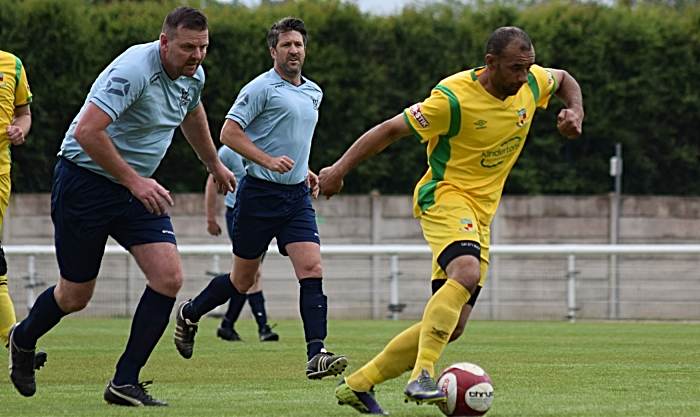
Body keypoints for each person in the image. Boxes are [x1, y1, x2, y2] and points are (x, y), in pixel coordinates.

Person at [319, 27, 584, 414]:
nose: (522, 77)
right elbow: (390, 129)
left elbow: (563, 79)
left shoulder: (530, 83)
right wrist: (339, 170)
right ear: (490, 63)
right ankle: (422, 374)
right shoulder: (452, 100)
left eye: (527, 68)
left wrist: (575, 110)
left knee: (453, 325)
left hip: (481, 214)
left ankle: (358, 385)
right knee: (466, 273)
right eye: (514, 69)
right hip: (444, 196)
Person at [7, 7, 236, 406]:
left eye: (203, 47)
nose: (196, 56)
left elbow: (192, 110)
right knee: (76, 295)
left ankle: (124, 382)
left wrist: (213, 163)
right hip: (85, 181)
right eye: (187, 47)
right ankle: (22, 339)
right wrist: (134, 180)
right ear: (164, 42)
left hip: (135, 190)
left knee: (168, 277)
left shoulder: (192, 75)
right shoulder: (133, 69)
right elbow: (87, 131)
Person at [174, 17, 348, 380]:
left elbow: (293, 140)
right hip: (259, 195)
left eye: (298, 44)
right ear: (273, 51)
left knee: (312, 268)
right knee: (242, 281)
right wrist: (267, 161)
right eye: (286, 45)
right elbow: (229, 133)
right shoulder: (259, 89)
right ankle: (190, 312)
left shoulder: (314, 91)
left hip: (297, 197)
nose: (293, 50)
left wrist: (305, 170)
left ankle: (317, 353)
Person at [0, 50, 47, 370]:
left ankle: (14, 340)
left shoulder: (12, 63)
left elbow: (24, 114)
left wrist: (20, 129)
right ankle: (15, 340)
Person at [205, 145, 278, 342]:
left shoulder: (266, 143)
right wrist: (211, 218)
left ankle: (228, 324)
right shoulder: (228, 151)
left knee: (248, 274)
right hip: (237, 213)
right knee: (252, 272)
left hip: (263, 215)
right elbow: (212, 182)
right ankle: (263, 328)